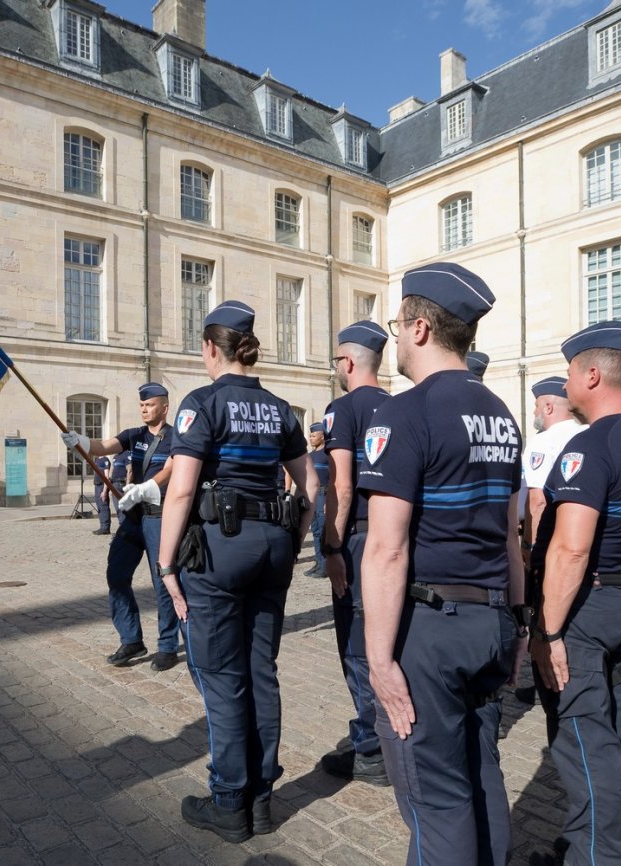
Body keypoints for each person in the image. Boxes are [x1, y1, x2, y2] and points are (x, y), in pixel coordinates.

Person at [358, 263, 527, 866]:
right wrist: (518, 623)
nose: (396, 341)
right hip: (491, 618)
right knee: (481, 772)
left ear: (420, 328)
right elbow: (510, 536)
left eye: (397, 327)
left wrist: (379, 660)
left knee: (436, 796)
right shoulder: (500, 413)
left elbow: (386, 548)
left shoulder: (404, 413)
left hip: (432, 627)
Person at [154, 300, 315, 843]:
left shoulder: (202, 403)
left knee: (223, 677)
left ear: (209, 348)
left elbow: (181, 490)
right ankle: (261, 799)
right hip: (273, 546)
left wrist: (166, 564)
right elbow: (311, 486)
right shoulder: (281, 408)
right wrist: (293, 541)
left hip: (220, 549)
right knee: (261, 672)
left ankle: (229, 802)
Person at [529, 321, 621, 866]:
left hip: (583, 609)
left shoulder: (592, 445)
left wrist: (549, 632)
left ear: (591, 375)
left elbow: (571, 550)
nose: (565, 383)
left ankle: (596, 856)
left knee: (585, 741)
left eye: (569, 372)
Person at [317, 320, 391, 787]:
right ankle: (387, 733)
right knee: (391, 641)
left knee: (358, 647)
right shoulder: (401, 405)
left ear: (346, 362)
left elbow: (340, 486)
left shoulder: (342, 409)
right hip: (398, 539)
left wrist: (331, 545)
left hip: (360, 540)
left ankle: (371, 748)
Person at [61, 383, 180, 671]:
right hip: (134, 518)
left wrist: (147, 487)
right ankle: (131, 639)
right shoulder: (133, 435)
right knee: (116, 574)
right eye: (141, 405)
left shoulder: (177, 437)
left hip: (160, 517)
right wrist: (80, 441)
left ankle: (167, 646)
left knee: (162, 582)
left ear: (164, 407)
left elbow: (172, 468)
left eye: (149, 405)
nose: (144, 409)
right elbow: (104, 446)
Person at [522, 377, 586, 553]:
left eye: (537, 406)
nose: (534, 412)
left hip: (553, 538)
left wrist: (529, 545)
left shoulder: (543, 441)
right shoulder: (589, 432)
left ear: (548, 407)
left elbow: (538, 501)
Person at [303, 422, 331, 577]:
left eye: (314, 435)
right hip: (312, 496)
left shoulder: (328, 455)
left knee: (322, 530)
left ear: (322, 437)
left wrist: (328, 500)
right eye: (310, 435)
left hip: (323, 495)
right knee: (315, 531)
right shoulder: (310, 456)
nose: (311, 438)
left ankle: (325, 566)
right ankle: (319, 561)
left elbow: (334, 478)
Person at [92, 454, 112, 534]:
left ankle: (105, 528)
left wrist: (104, 491)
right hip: (97, 486)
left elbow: (107, 477)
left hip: (102, 486)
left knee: (103, 506)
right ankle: (102, 526)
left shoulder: (105, 460)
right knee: (99, 507)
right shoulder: (97, 460)